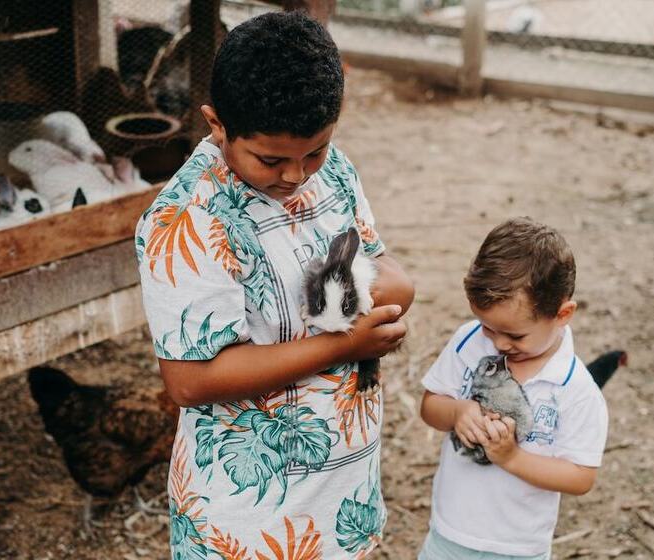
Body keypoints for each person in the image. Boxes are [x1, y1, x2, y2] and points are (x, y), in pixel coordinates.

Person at [135, 11, 414, 559]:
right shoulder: (191, 220)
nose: (296, 175)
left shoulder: (331, 174)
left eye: (316, 149)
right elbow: (190, 380)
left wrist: (385, 293)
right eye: (271, 159)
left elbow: (390, 275)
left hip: (340, 492)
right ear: (217, 125)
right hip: (250, 521)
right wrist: (344, 341)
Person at [419, 217, 608, 559]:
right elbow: (430, 405)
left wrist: (512, 458)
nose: (498, 343)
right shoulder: (469, 343)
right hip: (448, 533)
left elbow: (581, 477)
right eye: (488, 327)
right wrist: (457, 412)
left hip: (517, 548)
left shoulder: (574, 388)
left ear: (563, 314)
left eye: (515, 335)